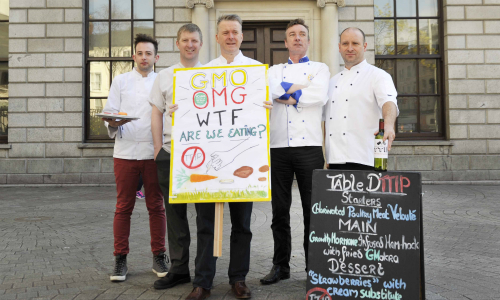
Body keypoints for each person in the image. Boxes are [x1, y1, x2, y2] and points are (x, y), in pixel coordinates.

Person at [168, 14, 272, 300]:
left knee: (242, 225)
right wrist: (179, 110)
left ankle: (238, 278)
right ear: (216, 37)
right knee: (206, 225)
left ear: (241, 36)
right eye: (224, 32)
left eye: (235, 32)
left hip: (244, 162)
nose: (230, 36)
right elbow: (192, 112)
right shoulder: (201, 73)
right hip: (208, 163)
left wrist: (267, 107)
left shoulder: (256, 71)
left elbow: (262, 117)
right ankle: (202, 282)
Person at [260, 18, 330, 285]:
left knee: (313, 211)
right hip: (277, 147)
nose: (297, 38)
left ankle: (314, 268)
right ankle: (281, 266)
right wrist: (300, 92)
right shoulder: (274, 70)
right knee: (280, 210)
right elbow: (270, 90)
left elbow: (320, 96)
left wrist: (286, 95)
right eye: (292, 34)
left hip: (310, 148)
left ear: (308, 41)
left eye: (302, 34)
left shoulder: (321, 68)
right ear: (286, 41)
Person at [102, 34, 168, 282]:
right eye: (140, 53)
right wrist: (111, 120)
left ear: (156, 57)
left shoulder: (162, 81)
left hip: (154, 152)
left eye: (148, 53)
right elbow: (110, 110)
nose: (144, 57)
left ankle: (159, 255)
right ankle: (120, 259)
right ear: (133, 56)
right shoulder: (120, 81)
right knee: (123, 207)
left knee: (156, 206)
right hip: (126, 152)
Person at [149, 23, 204, 291]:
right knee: (175, 215)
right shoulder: (165, 76)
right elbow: (156, 113)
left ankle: (204, 272)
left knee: (205, 214)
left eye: (194, 40)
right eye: (185, 40)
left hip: (205, 155)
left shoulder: (213, 73)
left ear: (201, 44)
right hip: (171, 153)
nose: (190, 44)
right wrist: (158, 148)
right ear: (177, 43)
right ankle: (179, 269)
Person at [324, 27, 398, 170]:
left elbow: (388, 101)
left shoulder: (378, 75)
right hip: (335, 160)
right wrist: (327, 155)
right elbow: (327, 121)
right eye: (345, 44)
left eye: (355, 43)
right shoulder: (332, 82)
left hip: (367, 158)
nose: (350, 48)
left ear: (364, 46)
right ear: (339, 48)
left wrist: (389, 125)